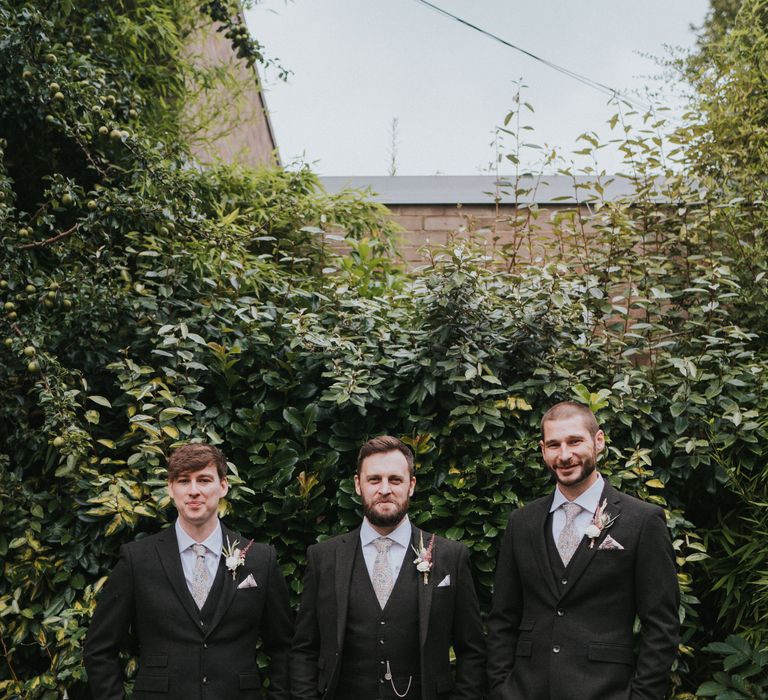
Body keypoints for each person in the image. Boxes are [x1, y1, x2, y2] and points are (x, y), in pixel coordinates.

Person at [486, 402, 680, 700]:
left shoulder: (642, 521)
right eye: (553, 445)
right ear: (542, 450)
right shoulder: (521, 523)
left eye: (574, 441)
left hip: (607, 691)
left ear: (598, 441)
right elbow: (503, 617)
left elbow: (661, 625)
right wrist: (502, 687)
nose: (564, 455)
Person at [84, 443, 292, 699]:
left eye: (204, 480)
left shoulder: (261, 560)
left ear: (223, 486)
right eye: (184, 481)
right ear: (171, 488)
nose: (194, 491)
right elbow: (99, 648)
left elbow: (284, 648)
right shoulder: (137, 560)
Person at [290, 435, 486, 700]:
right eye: (374, 480)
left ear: (411, 485)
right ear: (358, 485)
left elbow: (472, 650)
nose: (385, 489)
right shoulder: (323, 558)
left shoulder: (451, 556)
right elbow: (304, 649)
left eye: (395, 480)